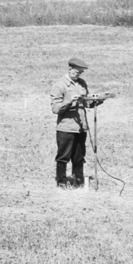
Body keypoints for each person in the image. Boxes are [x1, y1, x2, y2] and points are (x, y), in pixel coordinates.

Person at [50, 57, 90, 189]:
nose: (79, 75)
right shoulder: (59, 85)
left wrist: (97, 100)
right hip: (66, 128)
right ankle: (61, 182)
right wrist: (69, 102)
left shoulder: (82, 84)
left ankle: (78, 182)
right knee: (63, 157)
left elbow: (86, 103)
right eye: (77, 72)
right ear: (70, 69)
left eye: (81, 73)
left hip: (81, 127)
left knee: (79, 157)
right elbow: (55, 109)